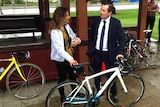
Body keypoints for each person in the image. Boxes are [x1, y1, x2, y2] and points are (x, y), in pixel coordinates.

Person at [87, 2, 125, 103]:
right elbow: (92, 36)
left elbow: (122, 38)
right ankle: (98, 92)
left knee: (111, 75)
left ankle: (114, 93)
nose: (101, 12)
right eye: (101, 9)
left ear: (110, 13)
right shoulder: (96, 21)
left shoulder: (116, 23)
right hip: (97, 52)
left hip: (110, 54)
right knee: (96, 74)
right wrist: (91, 49)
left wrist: (120, 52)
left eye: (103, 10)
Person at [48, 7, 81, 102]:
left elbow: (73, 36)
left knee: (73, 76)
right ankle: (62, 97)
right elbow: (59, 49)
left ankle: (75, 92)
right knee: (62, 78)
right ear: (61, 17)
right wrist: (70, 59)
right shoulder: (54, 31)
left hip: (70, 56)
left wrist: (78, 40)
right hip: (60, 59)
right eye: (67, 15)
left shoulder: (66, 26)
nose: (69, 17)